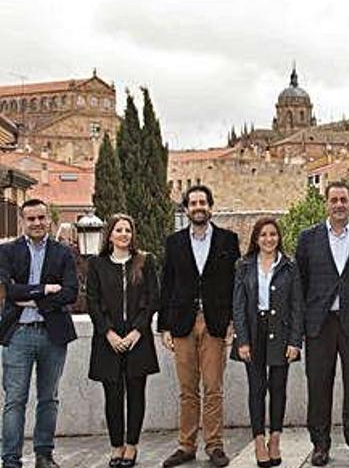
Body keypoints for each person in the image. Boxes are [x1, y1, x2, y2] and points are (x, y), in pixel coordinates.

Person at [295, 181, 349, 466]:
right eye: (334, 200)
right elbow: (302, 281)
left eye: (344, 199)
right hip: (319, 322)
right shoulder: (308, 238)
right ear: (326, 204)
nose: (339, 205)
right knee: (319, 384)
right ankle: (320, 444)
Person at [158, 185, 241, 468]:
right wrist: (164, 326)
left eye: (202, 202)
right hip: (182, 322)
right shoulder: (174, 242)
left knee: (214, 387)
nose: (198, 207)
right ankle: (186, 445)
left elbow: (234, 285)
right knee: (187, 389)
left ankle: (215, 446)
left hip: (215, 323)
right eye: (193, 203)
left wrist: (233, 321)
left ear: (211, 206)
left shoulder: (228, 240)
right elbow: (166, 284)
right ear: (186, 208)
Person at [0, 198, 77, 468]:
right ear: (23, 221)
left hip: (52, 334)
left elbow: (71, 292)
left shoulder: (63, 253)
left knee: (49, 398)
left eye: (41, 218)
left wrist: (30, 297)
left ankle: (44, 455)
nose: (37, 223)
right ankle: (11, 459)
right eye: (31, 219)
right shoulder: (7, 252)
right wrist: (45, 290)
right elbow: (9, 291)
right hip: (17, 334)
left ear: (49, 220)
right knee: (15, 400)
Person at [86, 214, 160, 467]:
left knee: (136, 394)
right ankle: (116, 446)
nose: (124, 234)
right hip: (108, 341)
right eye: (119, 230)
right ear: (109, 235)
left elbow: (153, 299)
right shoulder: (97, 264)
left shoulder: (144, 261)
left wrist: (137, 331)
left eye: (128, 230)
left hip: (138, 339)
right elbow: (93, 302)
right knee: (113, 396)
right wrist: (108, 333)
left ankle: (131, 446)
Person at [231, 217, 303, 467]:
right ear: (256, 239)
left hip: (281, 333)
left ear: (279, 237)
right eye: (263, 235)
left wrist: (295, 341)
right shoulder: (243, 265)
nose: (269, 239)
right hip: (253, 331)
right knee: (257, 388)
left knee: (279, 388)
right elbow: (238, 306)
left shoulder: (289, 266)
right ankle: (259, 441)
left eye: (273, 234)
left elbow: (297, 306)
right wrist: (242, 340)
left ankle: (275, 439)